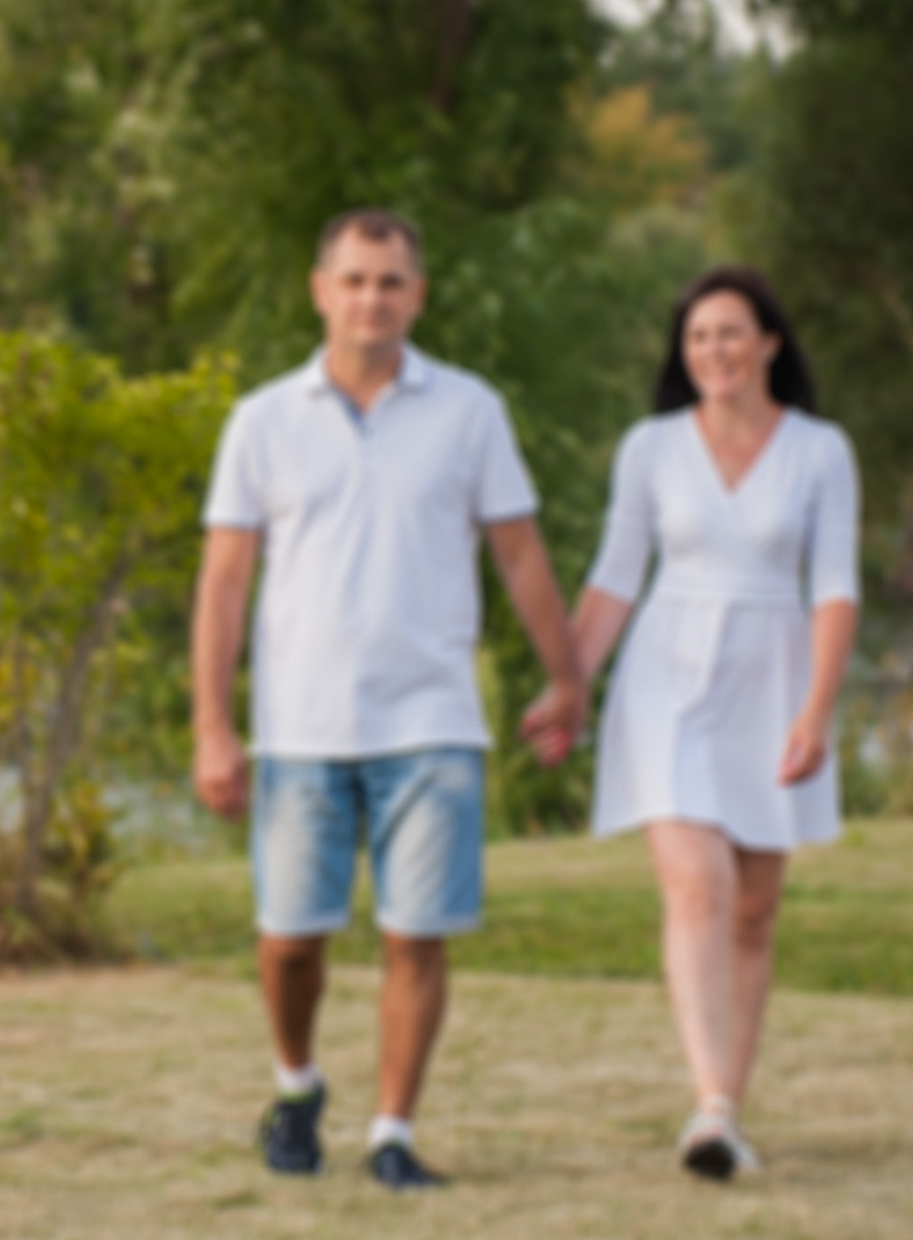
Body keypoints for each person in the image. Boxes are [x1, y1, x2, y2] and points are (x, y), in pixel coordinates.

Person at [190, 208, 584, 1190]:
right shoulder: (263, 421)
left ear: (418, 294)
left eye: (392, 280)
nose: (373, 297)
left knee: (417, 935)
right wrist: (212, 725)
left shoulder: (470, 411)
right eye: (356, 279)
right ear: (321, 291)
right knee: (290, 941)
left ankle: (391, 1134)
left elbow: (520, 553)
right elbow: (225, 583)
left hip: (433, 721)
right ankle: (297, 1085)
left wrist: (568, 675)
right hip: (300, 727)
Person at [557, 265, 859, 1181]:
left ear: (769, 343)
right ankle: (712, 1110)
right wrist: (568, 685)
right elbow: (616, 577)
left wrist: (817, 710)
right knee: (697, 886)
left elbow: (835, 587)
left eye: (730, 332)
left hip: (773, 683)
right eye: (697, 337)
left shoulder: (821, 451)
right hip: (668, 681)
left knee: (754, 913)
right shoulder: (649, 448)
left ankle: (727, 1106)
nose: (713, 351)